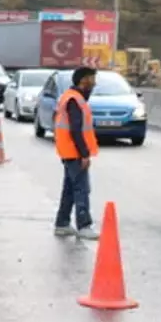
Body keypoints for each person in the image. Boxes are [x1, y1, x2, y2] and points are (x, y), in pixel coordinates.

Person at [53, 67, 100, 240]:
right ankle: (84, 225)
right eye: (92, 79)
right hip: (74, 152)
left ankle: (62, 223)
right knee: (81, 188)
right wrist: (84, 154)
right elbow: (76, 129)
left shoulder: (72, 97)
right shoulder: (74, 100)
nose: (94, 83)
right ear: (83, 80)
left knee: (70, 189)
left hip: (68, 151)